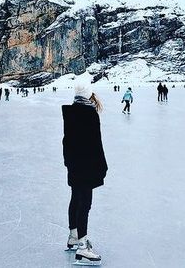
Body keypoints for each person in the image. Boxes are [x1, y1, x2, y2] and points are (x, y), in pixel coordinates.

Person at [62, 84, 107, 265]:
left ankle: (73, 236)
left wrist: (68, 163)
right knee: (85, 203)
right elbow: (96, 144)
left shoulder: (70, 113)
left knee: (75, 199)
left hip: (74, 164)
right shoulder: (90, 115)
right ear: (88, 96)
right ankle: (82, 247)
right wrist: (102, 166)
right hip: (87, 165)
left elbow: (66, 141)